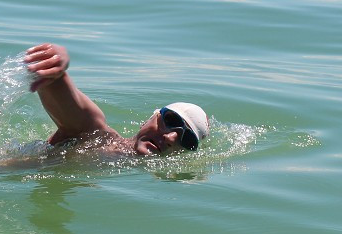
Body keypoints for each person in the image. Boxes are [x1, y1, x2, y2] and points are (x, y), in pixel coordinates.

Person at [24, 42, 209, 157]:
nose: (170, 138)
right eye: (171, 120)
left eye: (187, 140)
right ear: (149, 119)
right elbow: (54, 83)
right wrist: (55, 61)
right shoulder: (96, 136)